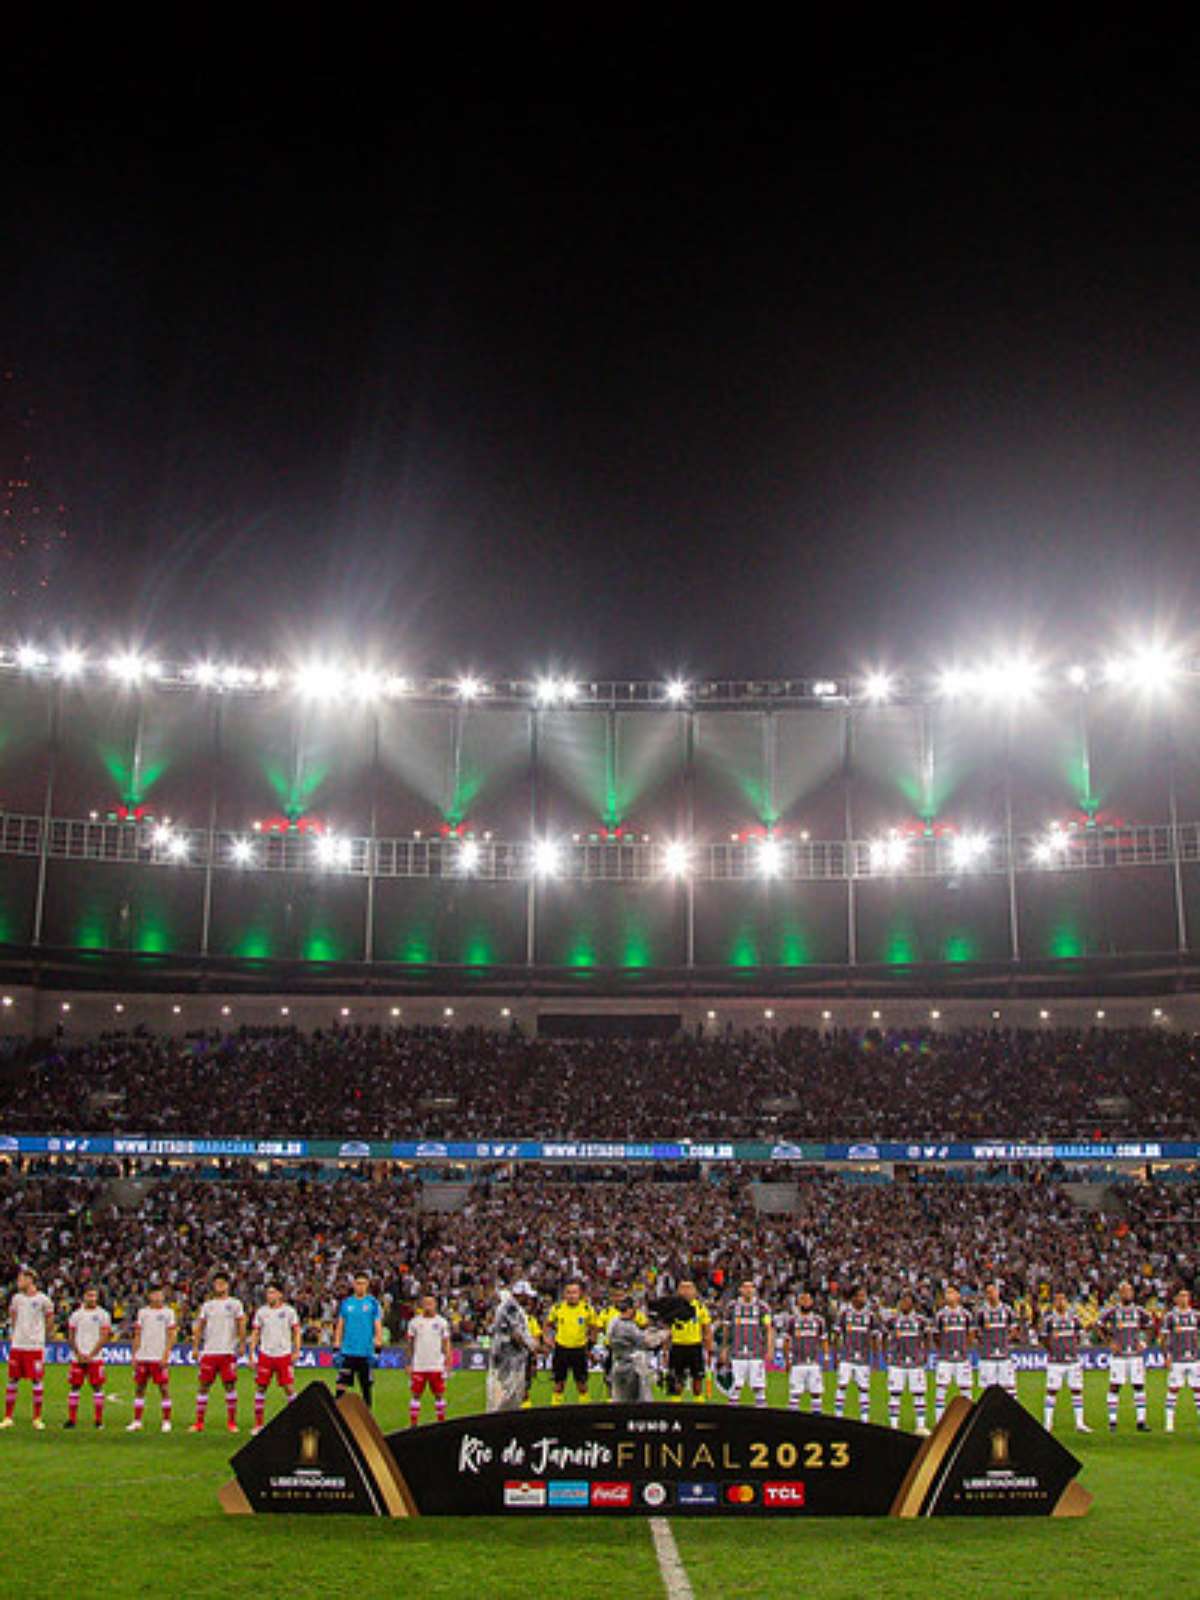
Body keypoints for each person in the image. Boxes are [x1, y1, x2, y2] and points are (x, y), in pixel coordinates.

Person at [189, 1272, 246, 1434]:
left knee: (230, 1385)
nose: (219, 1286)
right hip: (209, 1351)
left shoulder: (235, 1304)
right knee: (203, 1386)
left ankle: (232, 1423)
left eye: (222, 1283)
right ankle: (199, 1423)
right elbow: (199, 1327)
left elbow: (241, 1324)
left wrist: (242, 1344)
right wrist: (195, 1347)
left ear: (228, 1285)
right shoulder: (208, 1306)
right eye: (217, 1283)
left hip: (227, 1351)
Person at [1, 1269, 54, 1430]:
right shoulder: (16, 1299)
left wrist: (44, 1338)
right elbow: (14, 1318)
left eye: (21, 1279)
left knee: (37, 1380)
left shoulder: (43, 1300)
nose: (18, 1282)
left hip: (34, 1346)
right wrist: (15, 1335)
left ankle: (37, 1418)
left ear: (30, 1280)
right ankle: (8, 1417)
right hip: (18, 1345)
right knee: (12, 1379)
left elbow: (49, 1320)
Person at [1099, 1280, 1154, 1432]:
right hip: (1119, 1356)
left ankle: (1141, 1421)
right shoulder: (1113, 1311)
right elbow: (1099, 1325)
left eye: (1129, 1291)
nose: (1127, 1294)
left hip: (1135, 1355)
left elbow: (1150, 1326)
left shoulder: (1139, 1311)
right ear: (1119, 1294)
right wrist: (1109, 1342)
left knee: (1138, 1385)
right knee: (1115, 1386)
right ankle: (1112, 1422)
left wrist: (1144, 1342)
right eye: (1124, 1291)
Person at [248, 1283, 300, 1435]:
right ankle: (258, 1424)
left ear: (280, 1295)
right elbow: (256, 1333)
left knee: (289, 1388)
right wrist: (251, 1353)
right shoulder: (262, 1312)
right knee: (261, 1388)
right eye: (268, 1292)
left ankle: (296, 1421)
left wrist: (296, 1351)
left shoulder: (289, 1311)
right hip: (265, 1355)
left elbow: (296, 1332)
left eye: (272, 1292)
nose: (269, 1295)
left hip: (283, 1355)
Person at [1039, 1291, 1090, 1434]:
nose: (1060, 1302)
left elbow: (1080, 1335)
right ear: (1054, 1303)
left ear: (1066, 1302)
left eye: (1063, 1299)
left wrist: (1072, 1348)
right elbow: (1043, 1338)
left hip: (1073, 1361)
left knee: (1077, 1390)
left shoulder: (1074, 1318)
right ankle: (1047, 1423)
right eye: (1057, 1299)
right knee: (1051, 1390)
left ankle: (1080, 1423)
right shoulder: (1049, 1319)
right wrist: (1052, 1350)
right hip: (1055, 1362)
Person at [128, 1285, 176, 1432]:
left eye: (159, 1294)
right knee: (140, 1388)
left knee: (164, 1388)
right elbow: (137, 1334)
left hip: (158, 1356)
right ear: (149, 1296)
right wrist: (135, 1355)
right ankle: (137, 1421)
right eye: (154, 1294)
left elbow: (172, 1335)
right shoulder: (143, 1312)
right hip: (143, 1356)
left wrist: (166, 1355)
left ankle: (166, 1421)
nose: (157, 1297)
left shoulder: (168, 1313)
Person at [334, 1273, 384, 1410]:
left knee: (366, 1387)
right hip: (348, 1350)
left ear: (367, 1285)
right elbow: (340, 1324)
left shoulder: (372, 1303)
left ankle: (367, 1418)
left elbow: (377, 1325)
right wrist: (336, 1345)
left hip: (365, 1351)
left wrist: (378, 1346)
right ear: (354, 1285)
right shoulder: (347, 1303)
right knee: (341, 1385)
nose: (360, 1286)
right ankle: (338, 1414)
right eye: (358, 1283)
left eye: (363, 1283)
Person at [64, 1286, 112, 1430]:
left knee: (97, 1387)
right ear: (83, 1297)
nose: (92, 1298)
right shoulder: (76, 1315)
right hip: (77, 1358)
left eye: (94, 1296)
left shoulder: (103, 1315)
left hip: (95, 1358)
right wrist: (78, 1354)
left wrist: (91, 1355)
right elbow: (71, 1337)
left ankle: (98, 1420)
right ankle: (72, 1420)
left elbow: (104, 1337)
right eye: (89, 1295)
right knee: (75, 1386)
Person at [721, 1279, 773, 1409]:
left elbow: (768, 1328)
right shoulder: (731, 1307)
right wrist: (724, 1348)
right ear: (740, 1290)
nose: (748, 1290)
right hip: (736, 1353)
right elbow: (726, 1329)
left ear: (755, 1290)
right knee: (735, 1388)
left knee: (759, 1388)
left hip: (756, 1353)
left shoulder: (762, 1307)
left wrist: (770, 1348)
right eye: (745, 1287)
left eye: (751, 1287)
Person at [545, 1279, 597, 1405]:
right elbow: (547, 1324)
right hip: (561, 1348)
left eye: (574, 1292)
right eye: (568, 1292)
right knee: (559, 1383)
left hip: (579, 1349)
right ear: (564, 1294)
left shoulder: (587, 1309)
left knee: (581, 1383)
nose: (571, 1295)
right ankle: (555, 1408)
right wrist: (548, 1339)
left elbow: (594, 1327)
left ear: (580, 1293)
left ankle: (585, 1408)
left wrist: (591, 1342)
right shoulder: (557, 1308)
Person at [486, 1284, 537, 1412]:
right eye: (527, 1296)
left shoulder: (513, 1307)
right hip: (507, 1360)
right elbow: (517, 1335)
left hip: (511, 1359)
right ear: (520, 1295)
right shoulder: (511, 1308)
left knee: (509, 1397)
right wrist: (532, 1347)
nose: (529, 1299)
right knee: (504, 1397)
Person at [608, 1297, 668, 1402]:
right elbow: (646, 1343)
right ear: (630, 1309)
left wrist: (650, 1330)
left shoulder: (613, 1322)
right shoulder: (628, 1326)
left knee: (619, 1399)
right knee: (639, 1401)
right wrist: (663, 1334)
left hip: (617, 1364)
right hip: (631, 1368)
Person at [885, 1290, 928, 1433]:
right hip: (897, 1362)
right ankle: (894, 1425)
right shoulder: (892, 1320)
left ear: (913, 1304)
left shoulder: (921, 1321)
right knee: (895, 1393)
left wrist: (925, 1354)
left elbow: (927, 1337)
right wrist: (887, 1353)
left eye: (907, 1301)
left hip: (916, 1362)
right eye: (902, 1300)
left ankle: (920, 1426)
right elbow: (884, 1336)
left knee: (919, 1393)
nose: (904, 1303)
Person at [406, 1291, 451, 1427]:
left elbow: (446, 1343)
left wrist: (448, 1362)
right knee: (415, 1394)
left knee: (439, 1394)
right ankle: (413, 1424)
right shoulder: (414, 1322)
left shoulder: (441, 1322)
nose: (428, 1306)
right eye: (425, 1303)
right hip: (419, 1365)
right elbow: (410, 1344)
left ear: (435, 1305)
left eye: (430, 1303)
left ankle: (441, 1421)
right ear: (421, 1305)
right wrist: (408, 1363)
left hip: (436, 1365)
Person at [834, 1286, 877, 1421]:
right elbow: (836, 1335)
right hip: (846, 1356)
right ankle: (838, 1417)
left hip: (863, 1358)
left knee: (864, 1388)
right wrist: (836, 1355)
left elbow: (874, 1337)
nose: (863, 1299)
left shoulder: (870, 1315)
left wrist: (875, 1358)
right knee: (842, 1385)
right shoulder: (844, 1314)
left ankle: (864, 1419)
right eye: (860, 1296)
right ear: (853, 1298)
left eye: (864, 1296)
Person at [666, 1280, 713, 1402]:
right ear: (678, 1291)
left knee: (697, 1379)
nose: (686, 1291)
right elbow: (667, 1331)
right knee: (676, 1378)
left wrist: (709, 1348)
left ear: (695, 1292)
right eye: (683, 1288)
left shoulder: (700, 1307)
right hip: (677, 1346)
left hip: (695, 1346)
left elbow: (706, 1329)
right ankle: (676, 1403)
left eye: (689, 1288)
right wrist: (665, 1350)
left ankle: (698, 1402)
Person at [1161, 1287, 1200, 1433]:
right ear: (1176, 1299)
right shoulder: (1170, 1317)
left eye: (1186, 1296)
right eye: (1181, 1296)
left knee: (1198, 1390)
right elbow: (1163, 1339)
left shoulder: (1196, 1315)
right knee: (1173, 1390)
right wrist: (1166, 1357)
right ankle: (1169, 1424)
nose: (1184, 1299)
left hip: (1194, 1360)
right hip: (1177, 1360)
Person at [932, 1285, 973, 1423]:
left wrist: (964, 1348)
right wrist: (943, 1349)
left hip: (962, 1358)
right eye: (946, 1293)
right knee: (941, 1390)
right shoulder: (940, 1315)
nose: (948, 1295)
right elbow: (936, 1336)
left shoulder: (966, 1315)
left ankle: (968, 1420)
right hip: (945, 1359)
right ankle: (939, 1422)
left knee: (966, 1391)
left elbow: (970, 1334)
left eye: (951, 1292)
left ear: (958, 1295)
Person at [974, 1282, 1019, 1401]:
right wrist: (984, 1343)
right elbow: (975, 1332)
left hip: (1004, 1355)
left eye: (993, 1291)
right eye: (988, 1292)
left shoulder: (1007, 1310)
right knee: (988, 1390)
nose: (991, 1295)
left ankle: (1012, 1414)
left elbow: (1014, 1330)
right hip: (987, 1356)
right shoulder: (981, 1312)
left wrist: (1005, 1340)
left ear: (998, 1292)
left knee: (1010, 1388)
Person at [784, 1290, 826, 1414]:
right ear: (798, 1302)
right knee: (795, 1395)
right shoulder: (792, 1321)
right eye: (803, 1299)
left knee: (816, 1394)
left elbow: (824, 1340)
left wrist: (826, 1357)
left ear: (812, 1302)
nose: (806, 1302)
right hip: (797, 1363)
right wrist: (787, 1360)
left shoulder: (819, 1320)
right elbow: (787, 1341)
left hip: (813, 1363)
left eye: (808, 1299)